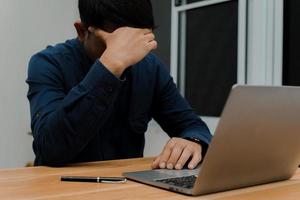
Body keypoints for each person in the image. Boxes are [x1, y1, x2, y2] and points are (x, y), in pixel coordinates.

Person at [26, 0, 212, 169]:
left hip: (125, 187)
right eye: (116, 43)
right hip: (59, 187)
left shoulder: (150, 68)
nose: (129, 53)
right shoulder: (48, 63)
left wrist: (193, 141)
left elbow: (192, 126)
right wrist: (109, 66)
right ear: (82, 31)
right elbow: (50, 149)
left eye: (137, 42)